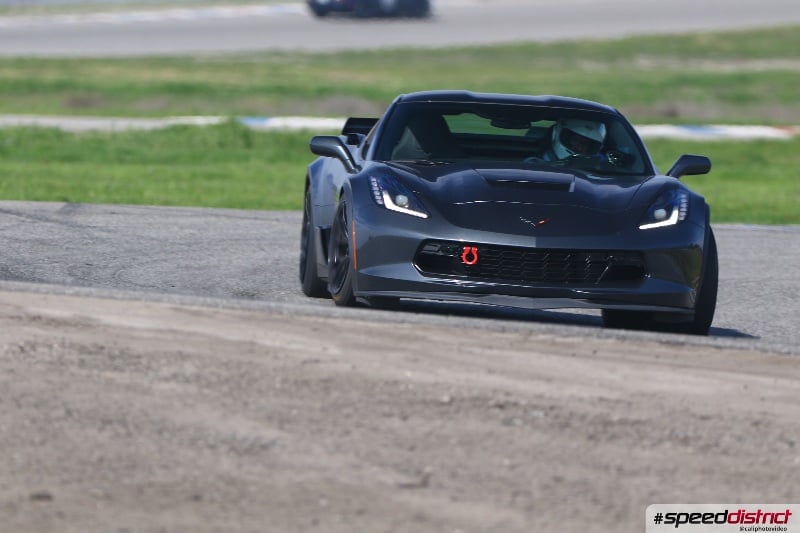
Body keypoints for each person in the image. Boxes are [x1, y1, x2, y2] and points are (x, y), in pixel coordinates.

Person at [537, 118, 607, 161]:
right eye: (576, 140)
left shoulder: (598, 163)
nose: (580, 147)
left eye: (585, 143)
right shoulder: (543, 161)